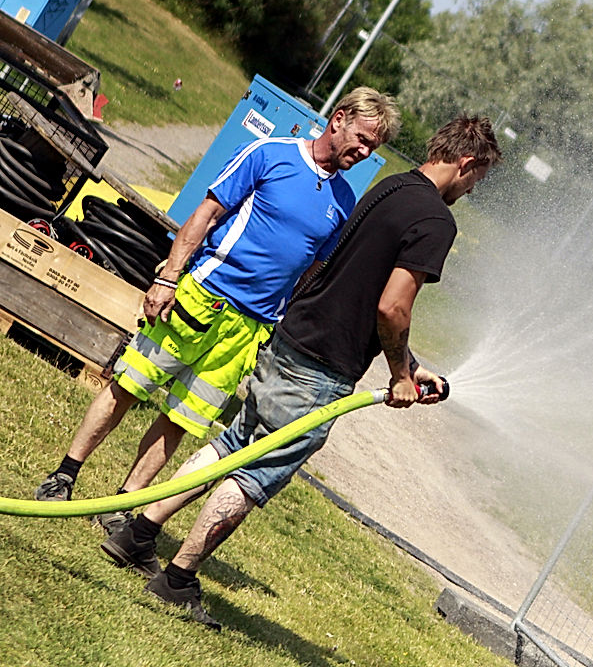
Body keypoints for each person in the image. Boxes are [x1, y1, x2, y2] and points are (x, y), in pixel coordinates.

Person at [100, 115, 501, 629]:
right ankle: (177, 578)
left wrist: (411, 364)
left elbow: (353, 282)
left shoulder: (389, 187)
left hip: (292, 335)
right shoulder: (437, 222)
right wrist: (400, 376)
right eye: (477, 180)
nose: (470, 191)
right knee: (255, 471)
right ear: (467, 163)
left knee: (234, 443)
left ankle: (138, 534)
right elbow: (391, 308)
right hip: (323, 367)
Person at [33, 88, 398, 538]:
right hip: (202, 298)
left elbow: (312, 271)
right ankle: (64, 475)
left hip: (246, 332)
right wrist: (168, 277)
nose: (363, 152)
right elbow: (206, 214)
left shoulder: (343, 202)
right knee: (129, 385)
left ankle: (122, 505)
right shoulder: (271, 154)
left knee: (181, 419)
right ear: (338, 119)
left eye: (373, 149)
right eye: (361, 139)